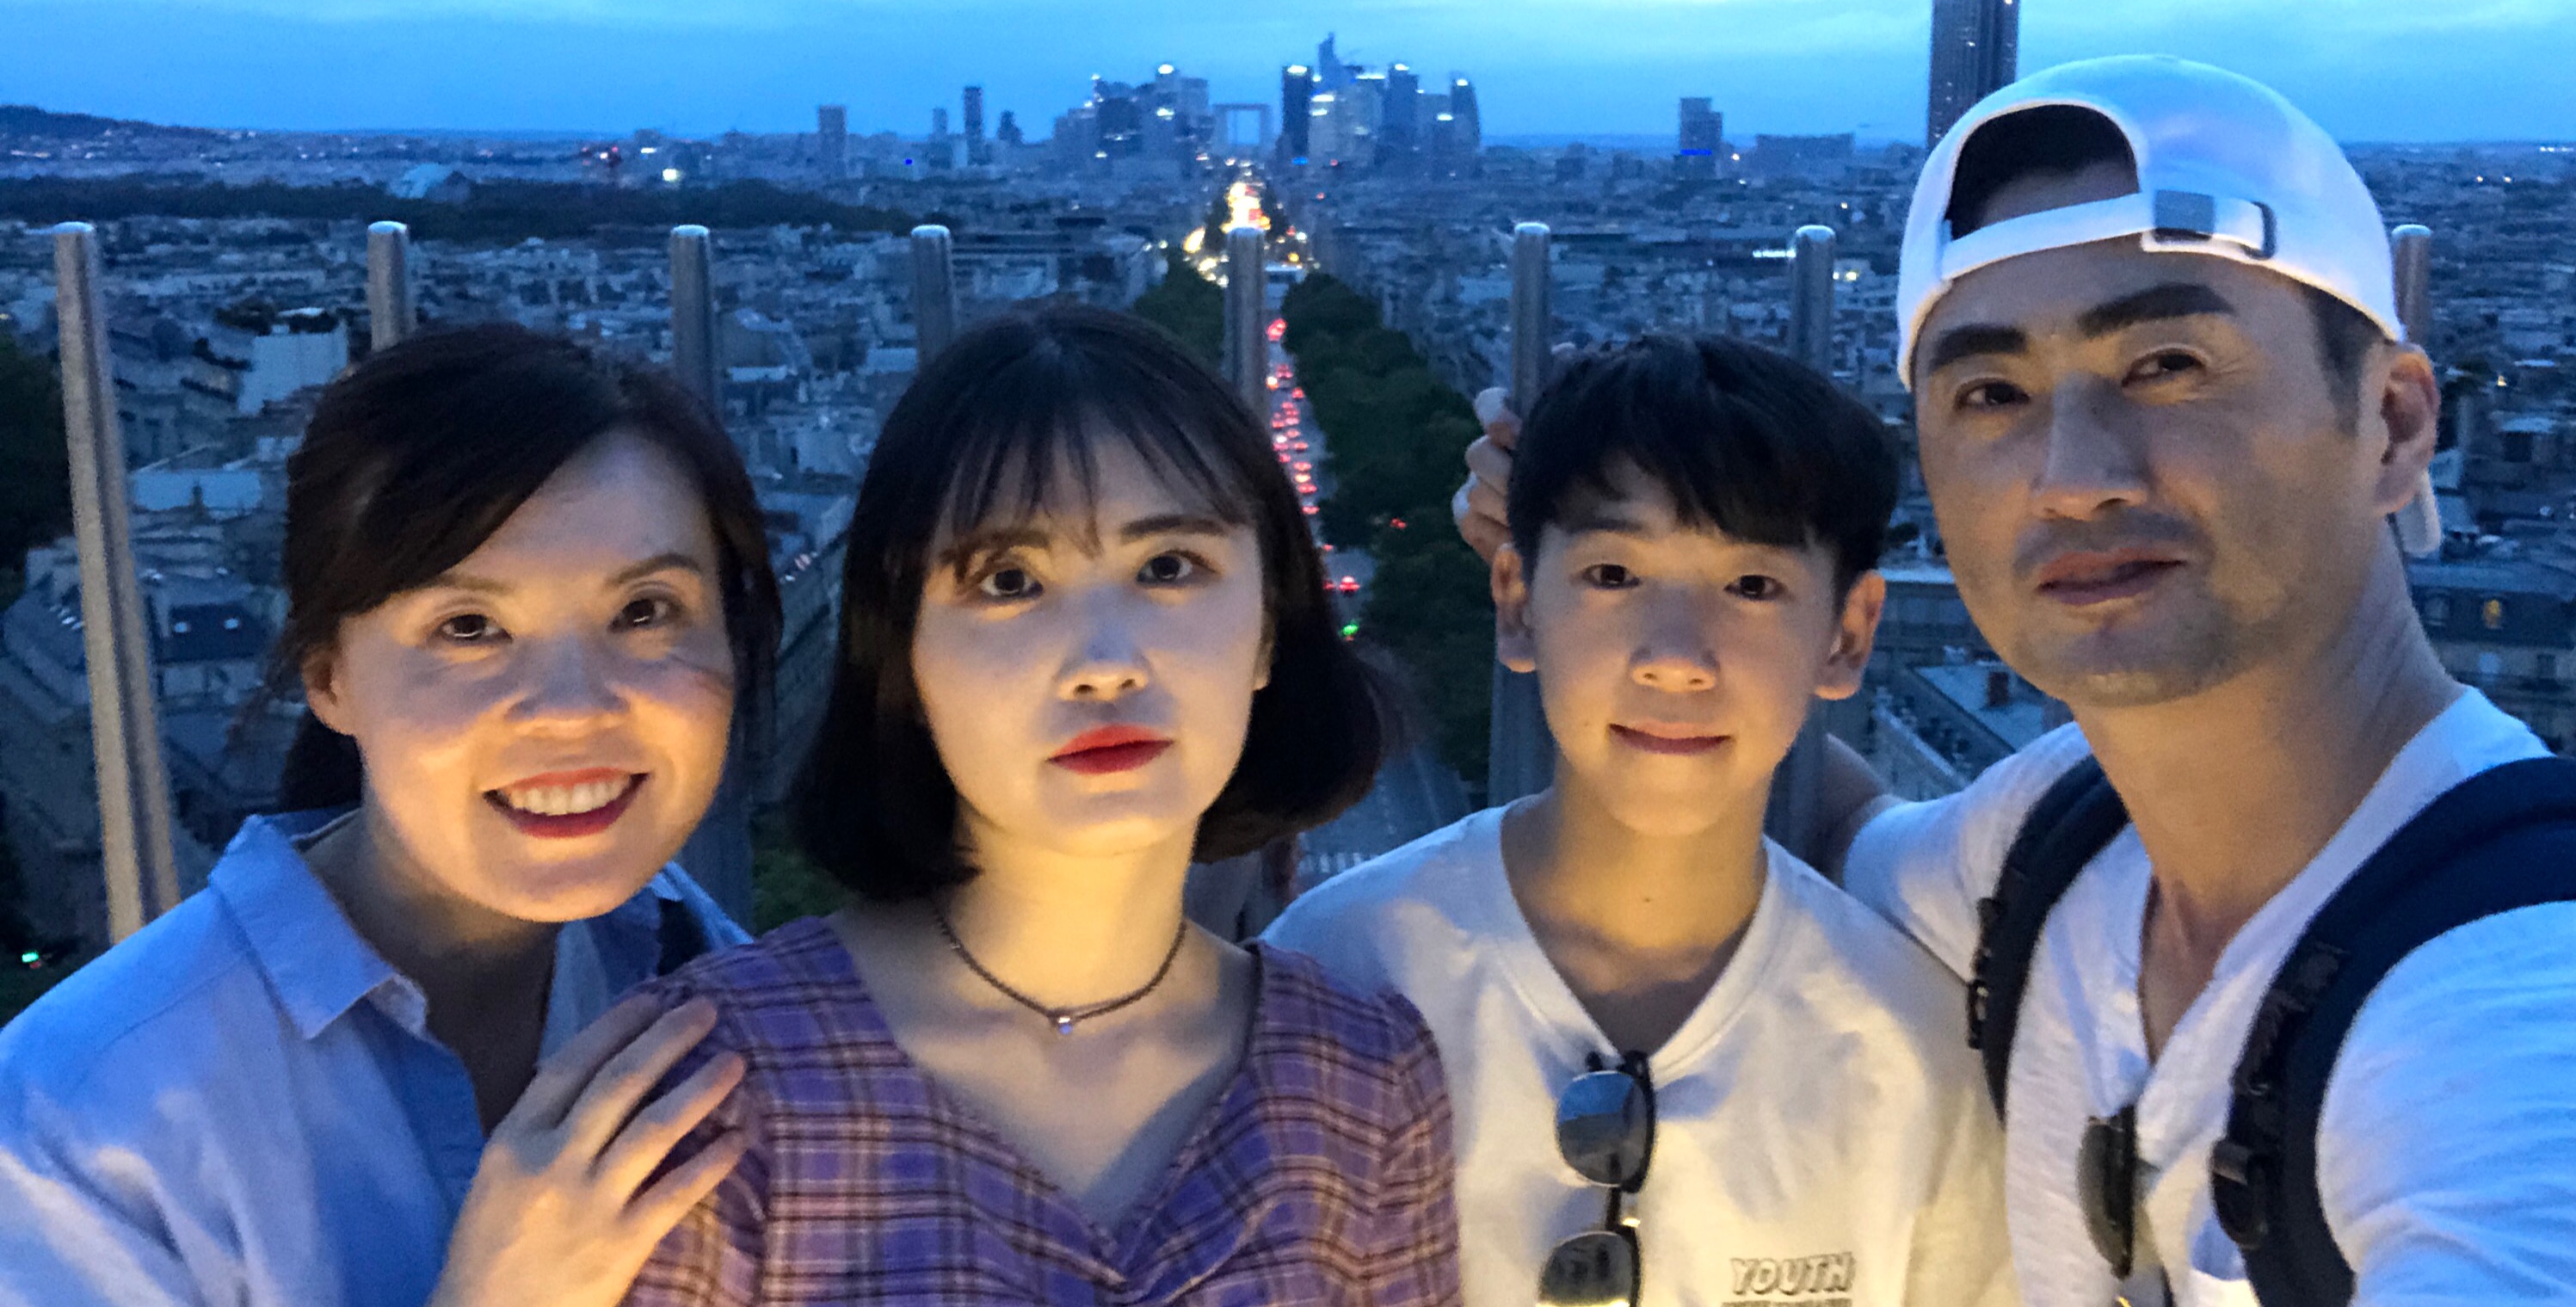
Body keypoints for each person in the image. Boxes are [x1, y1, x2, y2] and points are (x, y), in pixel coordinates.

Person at [1460, 59, 2576, 1304]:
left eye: (2169, 365)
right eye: (1992, 394)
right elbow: (1818, 819)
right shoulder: (2053, 851)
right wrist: (1627, 582)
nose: (2075, 475)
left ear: (2397, 426)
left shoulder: (2559, 1017)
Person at [626, 309, 1460, 1306]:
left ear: (1269, 632)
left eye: (1167, 568)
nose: (1104, 663)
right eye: (1011, 581)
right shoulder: (715, 1088)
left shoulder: (1367, 1079)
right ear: (905, 655)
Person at [0, 324, 783, 1307]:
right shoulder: (76, 1132)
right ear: (329, 677)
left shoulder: (709, 970)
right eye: (470, 627)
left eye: (644, 612)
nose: (573, 707)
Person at [1270, 335, 2014, 1307]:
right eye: (1615, 575)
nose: (1676, 656)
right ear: (1516, 601)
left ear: (1847, 633)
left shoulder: (1921, 1049)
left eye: (1751, 587)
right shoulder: (1334, 972)